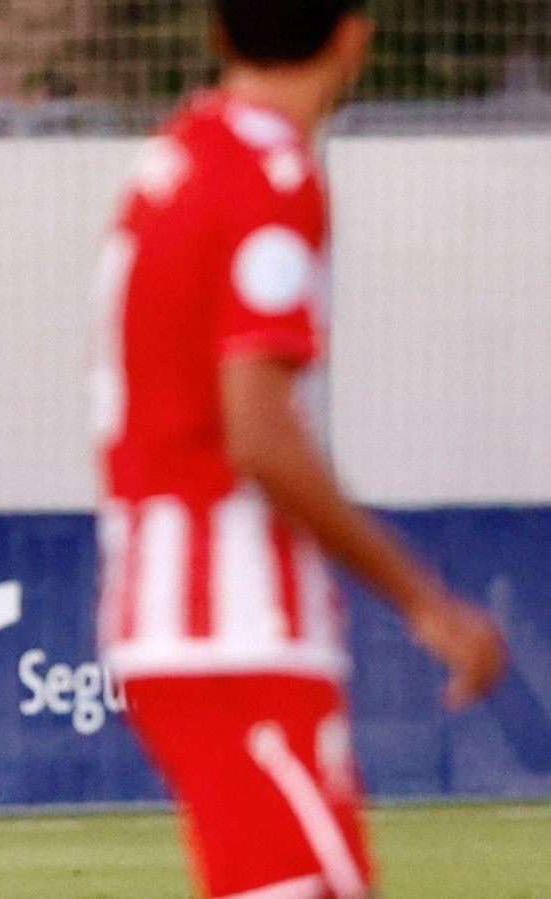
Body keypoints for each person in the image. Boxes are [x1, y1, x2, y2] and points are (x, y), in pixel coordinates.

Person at [89, 2, 508, 897]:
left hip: (175, 604)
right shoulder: (271, 175)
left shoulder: (176, 157)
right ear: (354, 37)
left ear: (217, 33)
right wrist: (426, 601)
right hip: (231, 619)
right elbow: (259, 432)